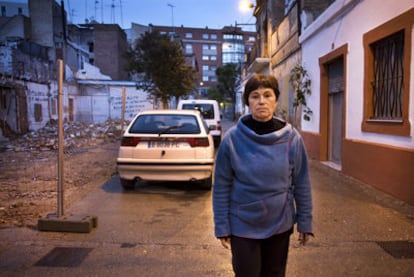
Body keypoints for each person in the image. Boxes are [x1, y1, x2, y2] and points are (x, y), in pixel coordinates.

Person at [212, 73, 313, 277]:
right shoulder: (232, 139)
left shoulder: (291, 138)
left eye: (267, 95)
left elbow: (302, 181)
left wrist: (305, 221)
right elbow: (222, 185)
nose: (261, 102)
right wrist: (222, 225)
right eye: (255, 96)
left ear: (276, 99)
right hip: (242, 223)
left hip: (280, 223)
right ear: (248, 101)